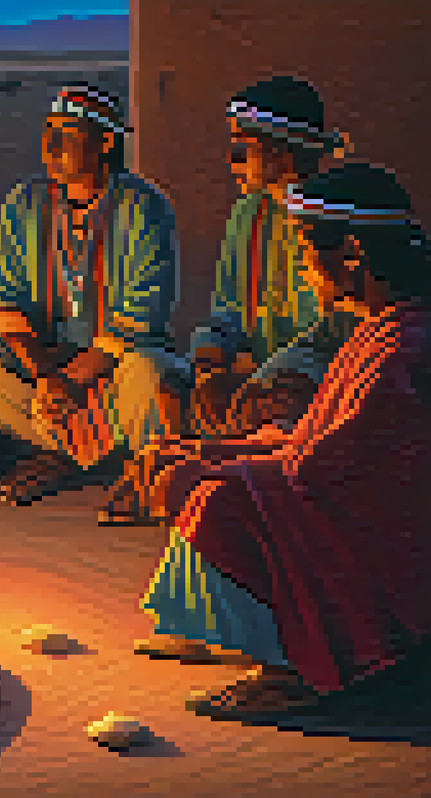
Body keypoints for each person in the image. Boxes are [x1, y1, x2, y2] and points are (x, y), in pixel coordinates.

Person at [130, 163, 431, 718]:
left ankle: (297, 672)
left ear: (353, 254)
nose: (303, 269)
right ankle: (232, 637)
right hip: (340, 502)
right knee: (199, 472)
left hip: (386, 551)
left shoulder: (400, 349)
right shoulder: (379, 329)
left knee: (216, 499)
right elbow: (309, 443)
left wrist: (210, 464)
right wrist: (205, 451)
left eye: (308, 252)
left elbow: (318, 469)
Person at [0, 83, 186, 506]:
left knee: (148, 374)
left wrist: (71, 379)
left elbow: (141, 317)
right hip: (48, 363)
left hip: (115, 363)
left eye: (68, 135)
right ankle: (79, 454)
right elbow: (4, 300)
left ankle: (84, 459)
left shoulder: (143, 206)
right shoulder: (24, 203)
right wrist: (46, 375)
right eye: (48, 133)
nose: (51, 146)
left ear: (105, 143)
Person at [183, 76, 356, 442]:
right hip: (258, 374)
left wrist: (264, 375)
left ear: (282, 152)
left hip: (323, 374)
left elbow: (340, 326)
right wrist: (209, 363)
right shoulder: (248, 214)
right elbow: (228, 310)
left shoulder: (336, 214)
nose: (231, 161)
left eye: (241, 149)